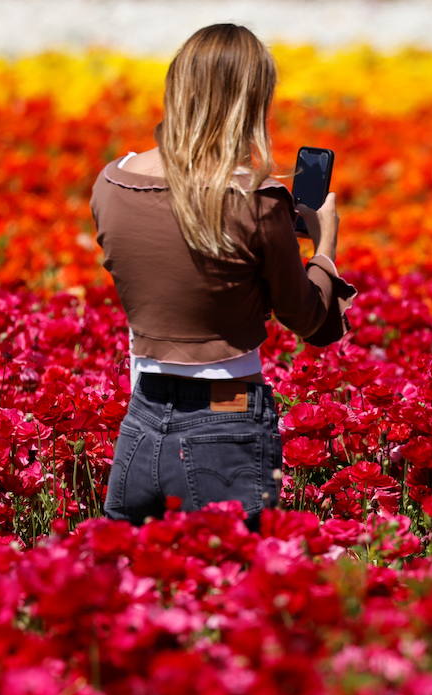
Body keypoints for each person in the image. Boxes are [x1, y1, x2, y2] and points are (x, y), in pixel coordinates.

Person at [90, 23, 354, 530]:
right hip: (226, 415)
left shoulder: (111, 183)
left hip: (142, 417)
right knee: (233, 589)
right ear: (251, 103)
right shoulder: (257, 201)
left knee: (134, 590)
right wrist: (325, 246)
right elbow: (312, 323)